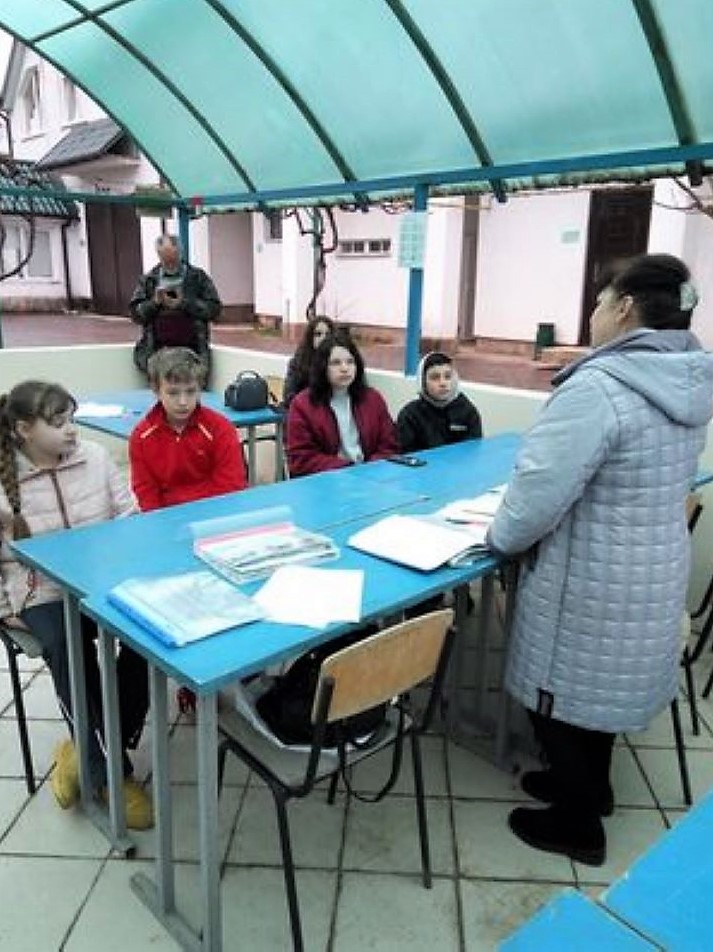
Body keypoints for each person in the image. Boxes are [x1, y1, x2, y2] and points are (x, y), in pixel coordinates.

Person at [487, 253, 713, 867]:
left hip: (590, 577)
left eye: (598, 301)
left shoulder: (598, 388)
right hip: (651, 565)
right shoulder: (687, 379)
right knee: (601, 691)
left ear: (624, 308)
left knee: (559, 698)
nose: (591, 314)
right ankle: (591, 791)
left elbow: (535, 497)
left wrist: (499, 539)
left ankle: (578, 826)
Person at [0, 381, 153, 829]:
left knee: (151, 643)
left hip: (104, 579)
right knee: (71, 650)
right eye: (58, 422)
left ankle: (84, 748)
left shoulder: (96, 458)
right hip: (42, 591)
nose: (71, 430)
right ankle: (111, 775)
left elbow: (130, 518)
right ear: (24, 429)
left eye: (71, 419)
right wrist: (5, 606)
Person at [129, 347, 247, 511]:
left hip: (216, 514)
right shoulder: (141, 437)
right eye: (173, 393)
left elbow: (231, 486)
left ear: (200, 389)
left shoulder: (221, 429)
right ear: (157, 391)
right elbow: (146, 493)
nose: (183, 402)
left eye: (191, 391)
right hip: (166, 519)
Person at [286, 329, 398, 477]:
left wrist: (369, 470)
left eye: (350, 362)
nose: (345, 369)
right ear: (322, 367)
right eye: (335, 363)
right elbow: (302, 458)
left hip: (370, 476)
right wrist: (348, 469)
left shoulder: (373, 399)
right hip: (327, 480)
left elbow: (389, 445)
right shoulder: (302, 405)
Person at [130, 234, 221, 379]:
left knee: (190, 387)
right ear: (158, 255)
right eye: (165, 260)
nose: (170, 265)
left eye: (173, 259)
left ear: (180, 252)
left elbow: (214, 309)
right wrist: (154, 302)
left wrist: (184, 303)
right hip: (156, 352)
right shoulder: (148, 280)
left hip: (193, 352)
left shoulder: (198, 277)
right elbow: (136, 315)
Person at [396, 351, 482, 453]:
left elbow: (474, 451)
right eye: (435, 378)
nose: (443, 383)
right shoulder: (409, 415)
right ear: (423, 382)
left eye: (448, 376)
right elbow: (406, 456)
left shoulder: (468, 411)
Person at [282, 315, 335, 408]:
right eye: (318, 334)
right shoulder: (298, 363)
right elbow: (289, 396)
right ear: (310, 337)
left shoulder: (341, 363)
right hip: (303, 410)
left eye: (328, 334)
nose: (324, 338)